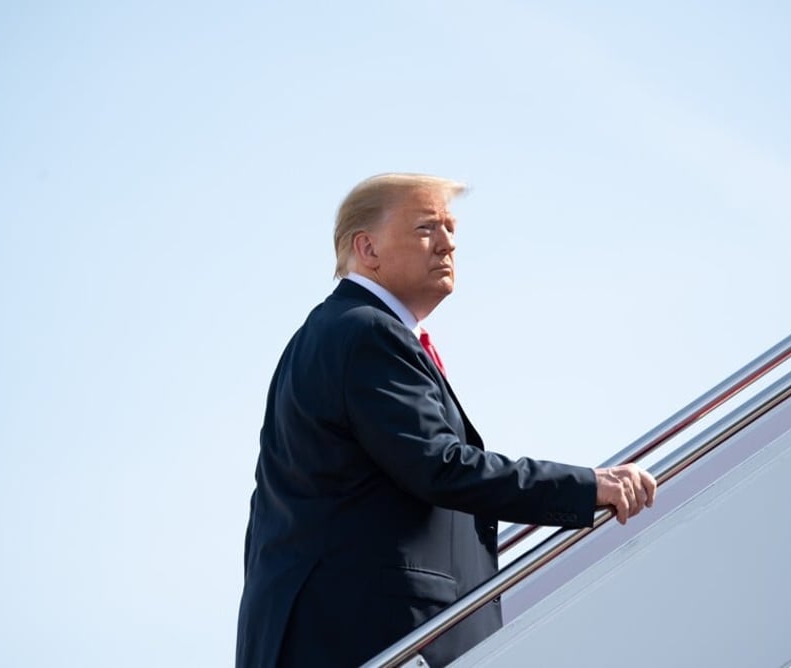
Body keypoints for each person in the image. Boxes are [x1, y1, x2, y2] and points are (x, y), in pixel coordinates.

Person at [235, 173, 657, 667]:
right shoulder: (365, 333)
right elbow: (441, 466)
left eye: (451, 228)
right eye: (425, 228)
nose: (448, 243)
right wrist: (585, 488)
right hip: (372, 638)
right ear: (367, 249)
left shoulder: (335, 333)